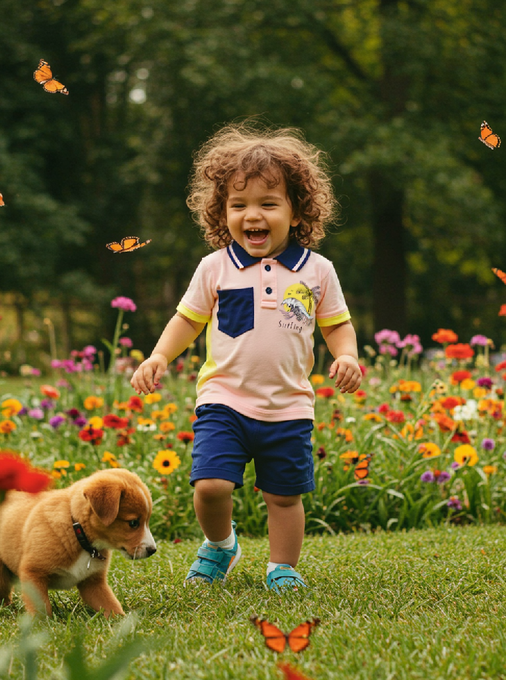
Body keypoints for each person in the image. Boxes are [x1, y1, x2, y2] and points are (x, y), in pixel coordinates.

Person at [131, 123, 362, 591]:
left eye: (268, 204)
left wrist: (349, 356)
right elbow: (188, 320)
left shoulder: (318, 270)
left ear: (297, 212)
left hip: (289, 405)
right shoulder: (214, 267)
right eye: (239, 205)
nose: (251, 215)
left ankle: (282, 566)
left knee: (284, 496)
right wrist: (158, 355)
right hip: (224, 400)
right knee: (210, 485)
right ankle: (220, 546)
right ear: (222, 212)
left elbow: (336, 324)